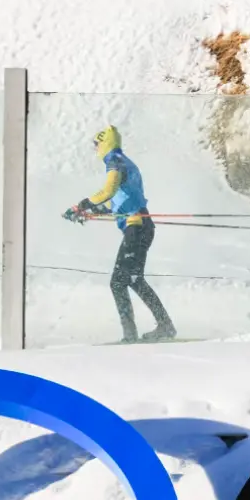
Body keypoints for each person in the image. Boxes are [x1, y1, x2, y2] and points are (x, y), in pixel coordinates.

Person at [65, 125, 175, 343]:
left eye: (96, 144)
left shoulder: (115, 162)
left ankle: (131, 335)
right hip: (142, 227)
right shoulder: (124, 161)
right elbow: (118, 202)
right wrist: (93, 212)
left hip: (136, 228)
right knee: (134, 280)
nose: (96, 149)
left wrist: (80, 206)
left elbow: (108, 191)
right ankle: (164, 326)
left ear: (104, 143)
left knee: (118, 282)